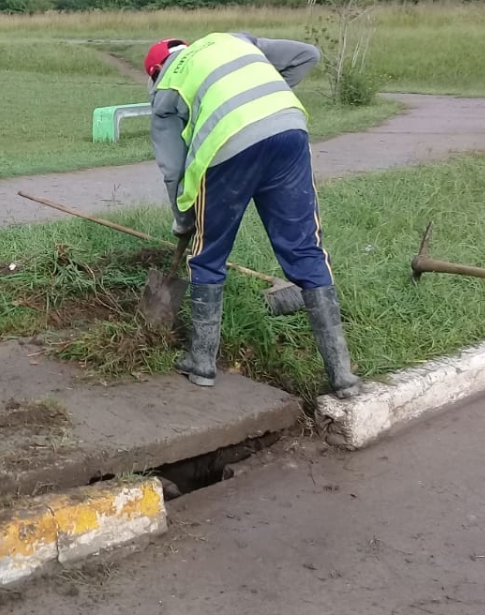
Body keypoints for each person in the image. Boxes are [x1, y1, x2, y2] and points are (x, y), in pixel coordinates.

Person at [144, 32, 360, 400]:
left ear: (156, 70)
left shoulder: (166, 88)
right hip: (288, 128)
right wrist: (263, 99)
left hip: (228, 145)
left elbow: (173, 168)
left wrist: (183, 218)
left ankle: (201, 362)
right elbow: (307, 54)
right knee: (306, 249)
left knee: (208, 253)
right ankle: (343, 377)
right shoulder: (234, 40)